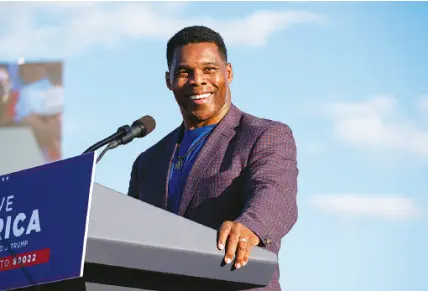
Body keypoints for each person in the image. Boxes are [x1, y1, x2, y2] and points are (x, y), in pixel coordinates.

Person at [128, 25, 298, 290]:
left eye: (209, 69)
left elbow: (276, 193)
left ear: (227, 73)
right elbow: (128, 236)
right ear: (168, 80)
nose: (198, 79)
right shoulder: (147, 162)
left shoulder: (263, 135)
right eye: (184, 72)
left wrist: (250, 225)